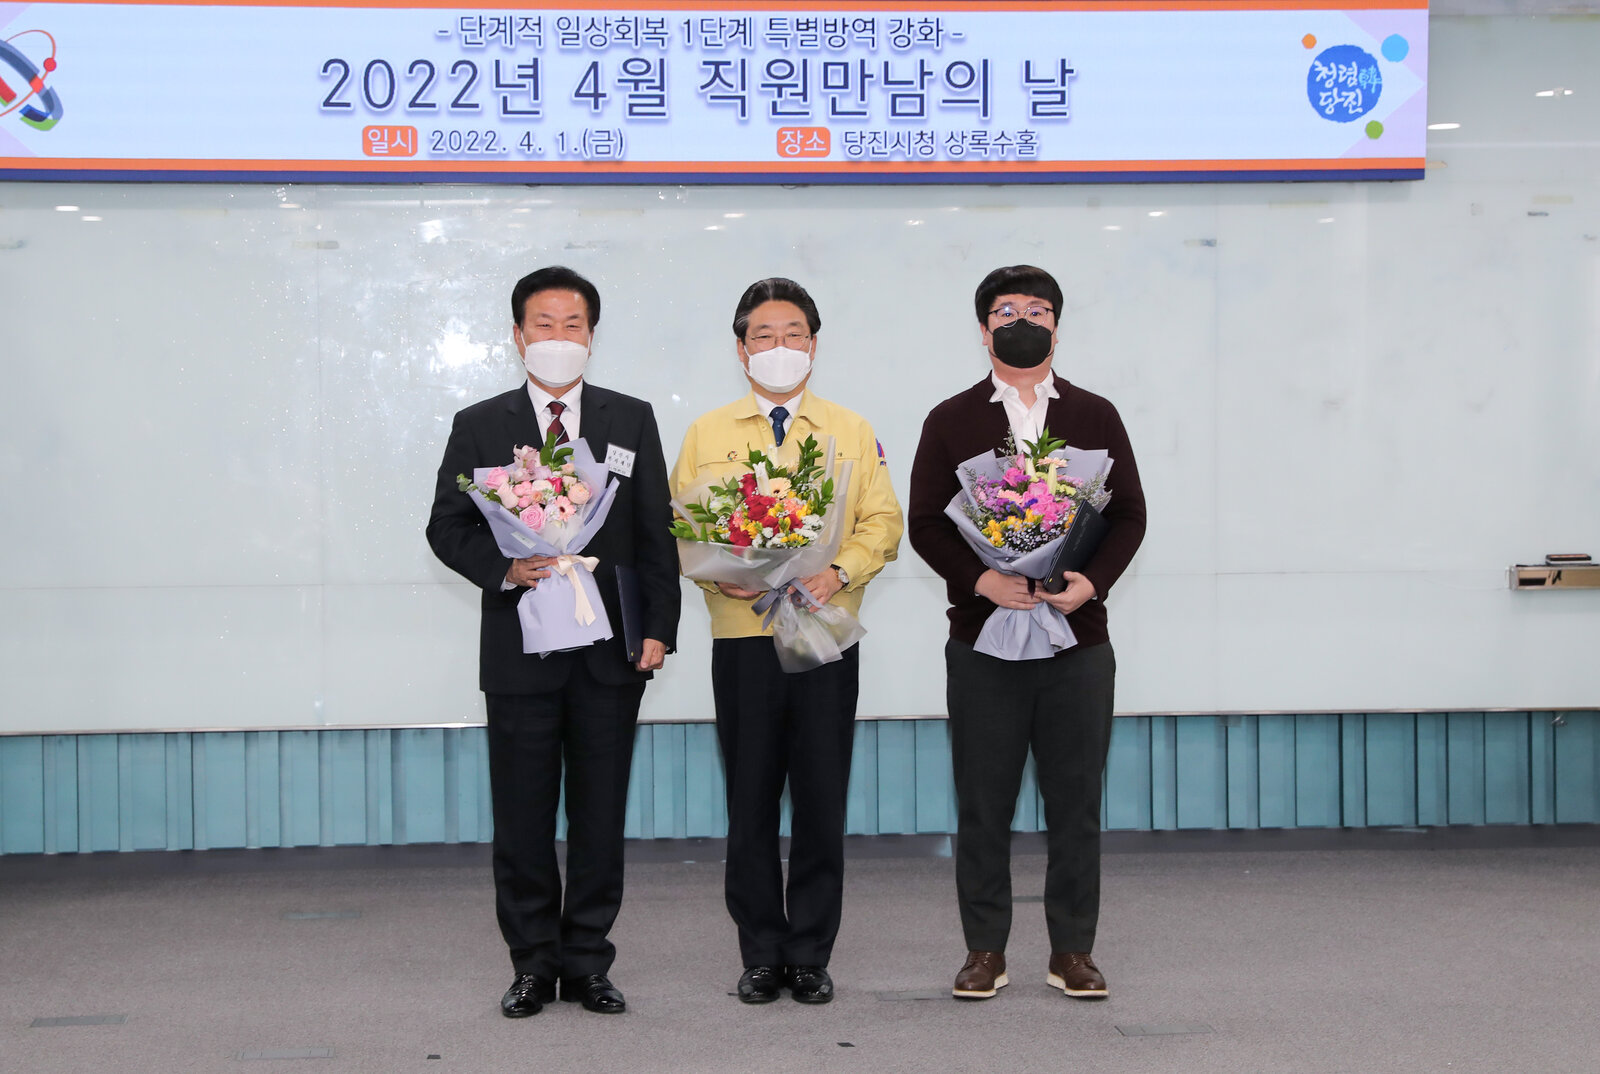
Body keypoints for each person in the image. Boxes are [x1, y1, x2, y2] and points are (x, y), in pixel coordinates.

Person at [426, 266, 681, 1018]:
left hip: (610, 654)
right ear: (518, 335)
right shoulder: (480, 423)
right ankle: (533, 964)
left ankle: (589, 962)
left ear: (592, 337)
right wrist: (504, 568)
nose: (559, 336)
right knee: (523, 818)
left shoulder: (630, 419)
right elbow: (446, 526)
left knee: (601, 816)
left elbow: (655, 533)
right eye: (544, 323)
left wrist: (658, 628)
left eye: (574, 324)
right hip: (520, 653)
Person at [907, 264, 1146, 1002]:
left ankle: (1073, 951)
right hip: (985, 641)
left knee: (1075, 802)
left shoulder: (1096, 414)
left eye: (1037, 310)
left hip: (1078, 642)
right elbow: (925, 523)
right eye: (1006, 310)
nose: (1023, 321)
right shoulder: (950, 419)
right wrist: (981, 581)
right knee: (984, 803)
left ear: (1056, 327)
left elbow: (1129, 515)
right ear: (984, 329)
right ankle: (985, 950)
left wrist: (1089, 584)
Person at [670, 278, 903, 1005]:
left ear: (814, 345)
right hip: (745, 635)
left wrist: (838, 572)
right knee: (750, 798)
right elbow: (682, 528)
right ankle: (761, 952)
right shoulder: (708, 432)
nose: (781, 347)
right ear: (742, 350)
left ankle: (810, 953)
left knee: (821, 795)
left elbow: (882, 523)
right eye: (764, 336)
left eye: (794, 334)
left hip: (823, 633)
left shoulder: (851, 430)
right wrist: (725, 577)